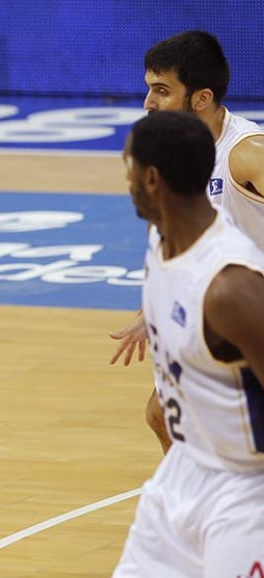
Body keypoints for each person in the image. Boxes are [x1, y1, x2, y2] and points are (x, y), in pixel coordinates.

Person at [112, 110, 264, 577]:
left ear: (152, 179)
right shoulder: (162, 244)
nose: (126, 180)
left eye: (128, 168)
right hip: (183, 475)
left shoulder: (231, 289)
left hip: (245, 492)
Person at [109, 30, 264, 453]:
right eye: (148, 90)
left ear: (201, 98)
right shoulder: (168, 152)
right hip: (203, 313)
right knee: (162, 415)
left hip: (247, 311)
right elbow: (164, 232)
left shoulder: (246, 153)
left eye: (162, 90)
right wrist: (150, 305)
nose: (148, 103)